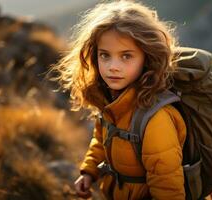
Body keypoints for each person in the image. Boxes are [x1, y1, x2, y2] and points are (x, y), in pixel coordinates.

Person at [54, 1, 187, 199]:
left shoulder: (156, 119)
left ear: (147, 58)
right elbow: (101, 139)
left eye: (126, 56)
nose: (112, 67)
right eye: (105, 55)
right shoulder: (112, 101)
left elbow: (167, 187)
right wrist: (89, 171)